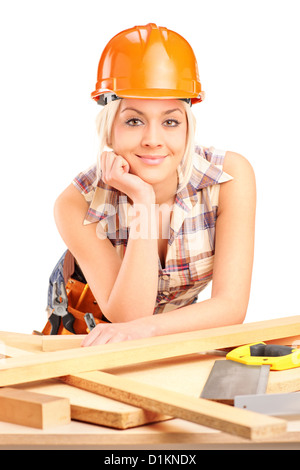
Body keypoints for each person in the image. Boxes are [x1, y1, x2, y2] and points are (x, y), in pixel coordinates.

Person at [53, 23, 256, 346]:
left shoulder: (228, 178)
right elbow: (128, 316)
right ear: (109, 130)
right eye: (134, 120)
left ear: (188, 127)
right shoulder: (78, 203)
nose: (152, 140)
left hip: (169, 338)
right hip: (88, 339)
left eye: (170, 121)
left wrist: (150, 330)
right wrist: (143, 202)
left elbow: (230, 306)